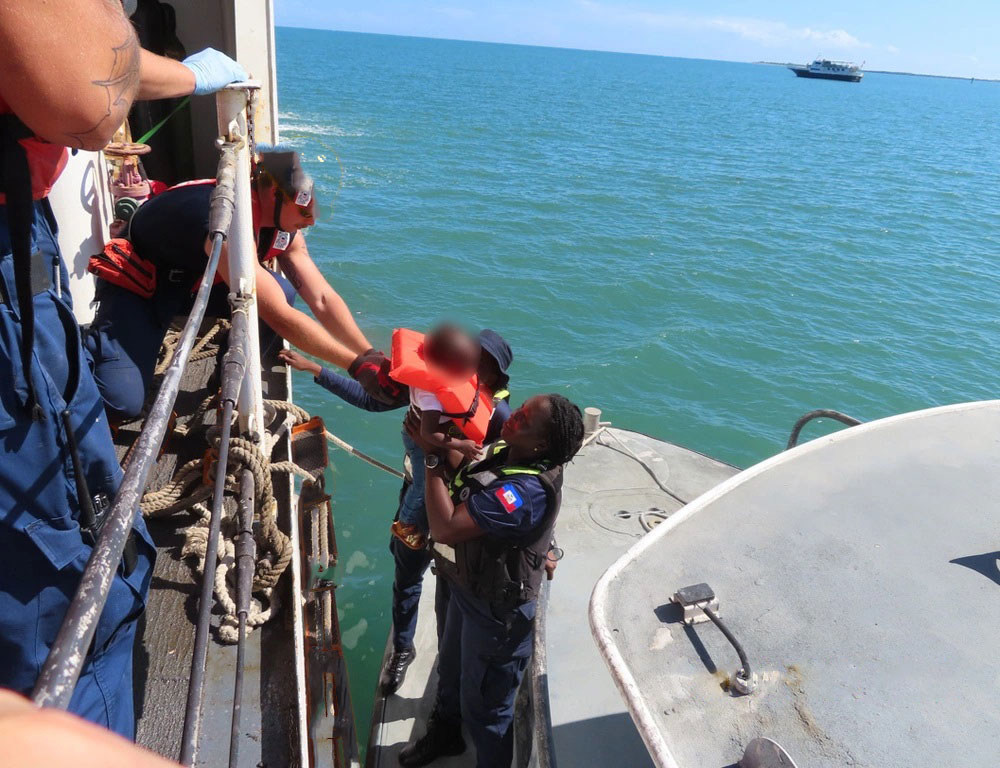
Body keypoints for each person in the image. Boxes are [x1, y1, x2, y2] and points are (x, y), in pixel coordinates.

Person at [0, 0, 248, 739]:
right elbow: (86, 96)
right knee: (73, 572)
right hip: (47, 280)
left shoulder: (250, 226)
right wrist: (187, 77)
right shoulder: (211, 217)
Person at [280, 329, 515, 695]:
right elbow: (372, 400)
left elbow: (502, 478)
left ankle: (451, 663)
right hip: (415, 498)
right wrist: (317, 369)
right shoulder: (433, 383)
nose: (468, 370)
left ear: (495, 377)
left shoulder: (498, 416)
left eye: (479, 366)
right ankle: (402, 648)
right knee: (406, 576)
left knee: (454, 589)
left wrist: (435, 451)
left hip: (462, 514)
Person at [84, 148, 374, 421]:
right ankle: (81, 345)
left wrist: (368, 355)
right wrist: (355, 366)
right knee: (120, 401)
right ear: (275, 193)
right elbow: (279, 316)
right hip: (141, 290)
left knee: (281, 292)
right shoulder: (226, 217)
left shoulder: (280, 226)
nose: (310, 223)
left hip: (190, 284)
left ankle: (227, 384)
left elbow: (321, 298)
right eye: (305, 213)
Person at [399, 393, 584, 768]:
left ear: (541, 444)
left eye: (524, 418)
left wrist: (430, 455)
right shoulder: (511, 454)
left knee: (488, 715)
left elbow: (447, 526)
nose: (512, 416)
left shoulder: (524, 493)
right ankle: (446, 734)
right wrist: (436, 438)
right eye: (521, 409)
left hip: (498, 617)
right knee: (449, 672)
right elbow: (468, 480)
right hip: (467, 590)